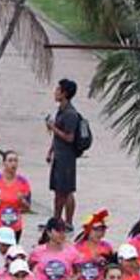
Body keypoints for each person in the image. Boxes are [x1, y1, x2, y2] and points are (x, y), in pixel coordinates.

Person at [46, 78, 81, 227]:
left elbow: (69, 137)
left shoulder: (70, 114)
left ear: (65, 93)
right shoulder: (61, 110)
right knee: (58, 190)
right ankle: (56, 220)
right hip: (59, 156)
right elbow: (57, 137)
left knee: (67, 191)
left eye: (58, 90)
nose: (55, 92)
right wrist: (50, 151)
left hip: (67, 158)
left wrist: (52, 127)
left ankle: (68, 222)